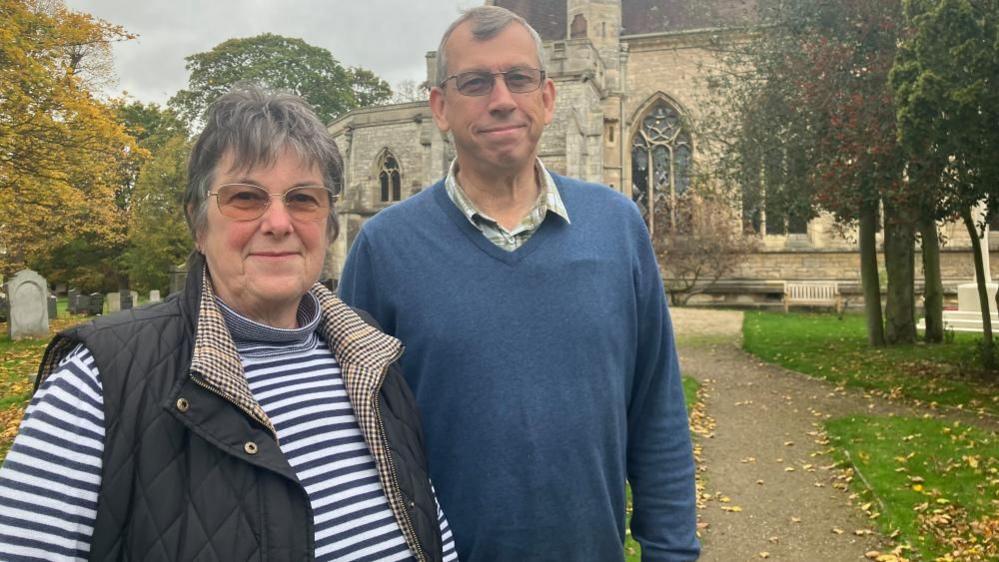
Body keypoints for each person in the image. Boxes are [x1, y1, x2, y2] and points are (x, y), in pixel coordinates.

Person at [0, 87, 457, 562]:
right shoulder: (98, 380)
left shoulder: (373, 359)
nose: (279, 222)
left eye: (303, 198)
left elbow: (429, 528)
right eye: (245, 197)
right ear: (199, 225)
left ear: (330, 225)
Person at [339, 6, 699, 562]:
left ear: (548, 98)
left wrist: (671, 553)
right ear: (439, 107)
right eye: (475, 82)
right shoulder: (384, 249)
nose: (501, 98)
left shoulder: (617, 227)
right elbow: (355, 440)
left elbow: (657, 415)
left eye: (519, 79)